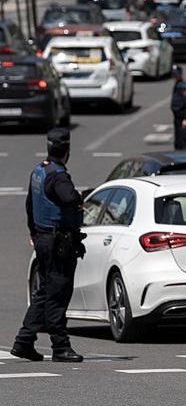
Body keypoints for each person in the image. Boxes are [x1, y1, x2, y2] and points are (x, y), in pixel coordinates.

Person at [12, 128, 85, 363]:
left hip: (44, 238)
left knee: (44, 292)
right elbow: (69, 198)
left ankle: (23, 341)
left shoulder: (39, 171)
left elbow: (29, 205)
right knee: (58, 293)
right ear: (67, 151)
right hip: (58, 241)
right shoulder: (58, 176)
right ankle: (60, 347)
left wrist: (34, 232)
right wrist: (78, 199)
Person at [170, 64, 186, 150]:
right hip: (177, 116)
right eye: (174, 74)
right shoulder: (177, 84)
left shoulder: (183, 86)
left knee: (184, 141)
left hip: (182, 117)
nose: (174, 76)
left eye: (176, 74)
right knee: (178, 140)